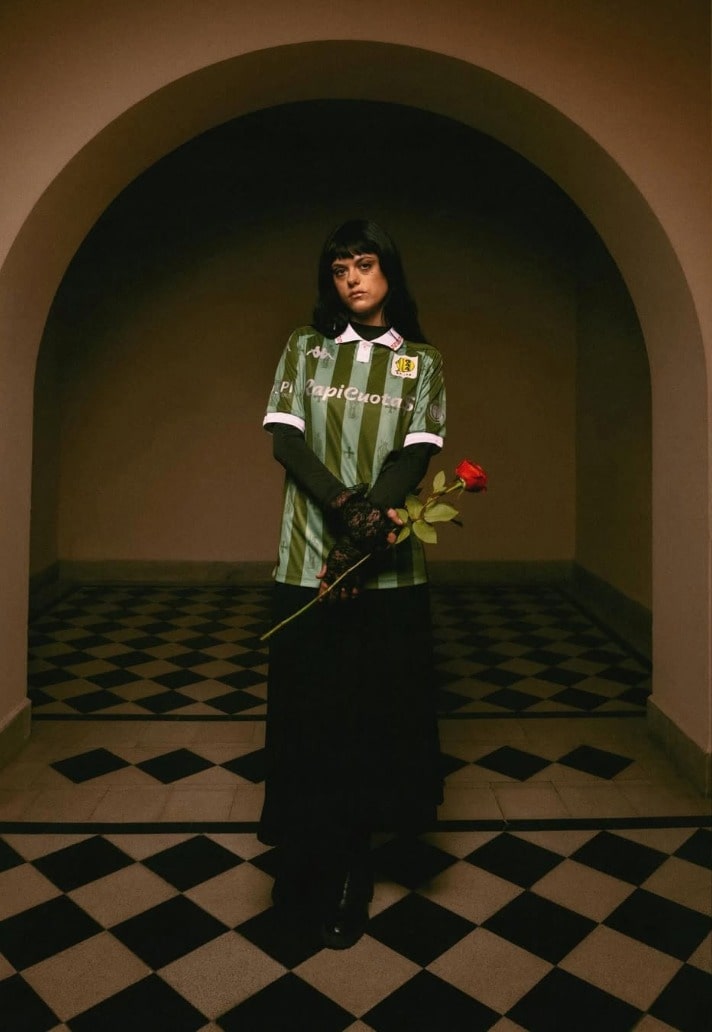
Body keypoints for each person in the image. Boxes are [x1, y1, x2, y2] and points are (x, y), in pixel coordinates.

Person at [259, 219, 446, 949]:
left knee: (370, 718)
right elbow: (287, 440)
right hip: (306, 558)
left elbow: (416, 454)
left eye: (364, 265)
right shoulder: (304, 348)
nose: (352, 280)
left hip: (385, 565)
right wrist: (343, 506)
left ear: (389, 271)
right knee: (310, 716)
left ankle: (352, 869)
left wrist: (369, 527)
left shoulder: (422, 362)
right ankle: (303, 862)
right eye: (340, 270)